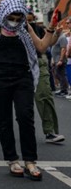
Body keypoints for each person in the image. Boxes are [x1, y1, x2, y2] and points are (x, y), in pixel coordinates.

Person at [0, 0, 53, 181]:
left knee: (25, 116)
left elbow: (42, 46)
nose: (15, 19)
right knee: (4, 120)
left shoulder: (25, 28)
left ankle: (30, 160)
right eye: (12, 16)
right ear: (4, 13)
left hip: (22, 77)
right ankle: (12, 159)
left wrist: (51, 29)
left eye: (18, 16)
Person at [27, 10, 65, 144]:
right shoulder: (9, 29)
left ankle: (50, 132)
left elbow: (48, 43)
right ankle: (21, 131)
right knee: (21, 102)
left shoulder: (38, 29)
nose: (28, 21)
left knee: (45, 96)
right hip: (18, 65)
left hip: (38, 63)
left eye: (31, 19)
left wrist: (55, 33)